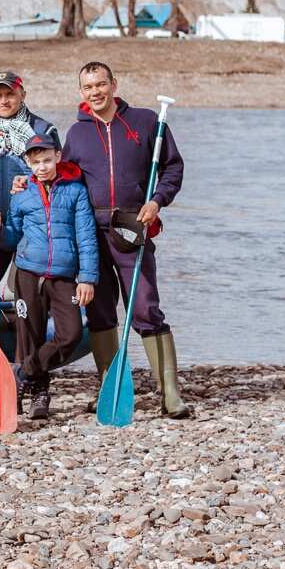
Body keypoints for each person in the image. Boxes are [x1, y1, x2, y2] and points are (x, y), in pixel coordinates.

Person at [60, 61, 189, 418]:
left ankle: (170, 394)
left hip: (133, 226)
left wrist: (157, 199)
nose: (95, 92)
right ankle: (108, 386)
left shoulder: (147, 122)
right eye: (88, 87)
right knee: (100, 312)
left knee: (146, 309)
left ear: (114, 84)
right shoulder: (77, 134)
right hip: (91, 231)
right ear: (81, 92)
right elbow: (66, 183)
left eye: (101, 84)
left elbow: (173, 167)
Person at [0, 71, 61, 393]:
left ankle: (25, 373)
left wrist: (31, 187)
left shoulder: (43, 130)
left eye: (11, 94)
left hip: (29, 231)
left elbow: (57, 178)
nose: (4, 101)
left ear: (22, 94)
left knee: (26, 303)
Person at [0, 133, 98, 419]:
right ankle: (39, 395)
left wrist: (87, 277)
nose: (42, 167)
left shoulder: (75, 191)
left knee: (70, 334)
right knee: (30, 337)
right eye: (36, 161)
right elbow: (12, 238)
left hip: (64, 276)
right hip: (28, 273)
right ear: (28, 162)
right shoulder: (22, 195)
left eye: (47, 160)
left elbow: (86, 237)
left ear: (58, 157)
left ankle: (23, 372)